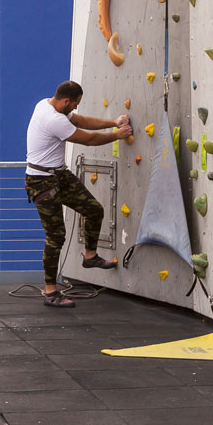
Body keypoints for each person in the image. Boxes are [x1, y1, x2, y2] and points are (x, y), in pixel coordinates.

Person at [24, 80, 134, 308]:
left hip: (59, 175)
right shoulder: (53, 119)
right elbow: (89, 139)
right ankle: (50, 292)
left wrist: (113, 123)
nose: (75, 107)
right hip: (41, 182)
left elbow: (81, 120)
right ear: (66, 100)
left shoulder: (46, 104)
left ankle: (90, 256)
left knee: (94, 210)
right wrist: (117, 135)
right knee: (56, 236)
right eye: (75, 103)